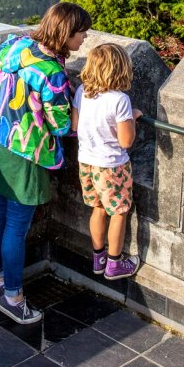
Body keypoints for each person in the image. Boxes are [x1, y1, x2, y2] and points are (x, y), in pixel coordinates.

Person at [0, 1, 91, 324]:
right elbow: (63, 126)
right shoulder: (50, 74)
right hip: (26, 149)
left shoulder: (17, 45)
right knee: (17, 225)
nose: (84, 40)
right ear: (65, 33)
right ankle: (12, 297)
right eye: (81, 34)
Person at [71, 42, 142, 280]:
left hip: (86, 162)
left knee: (98, 208)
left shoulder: (82, 91)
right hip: (112, 165)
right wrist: (132, 117)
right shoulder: (119, 99)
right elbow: (126, 140)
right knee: (119, 212)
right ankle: (114, 264)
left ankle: (98, 258)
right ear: (121, 69)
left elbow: (74, 125)